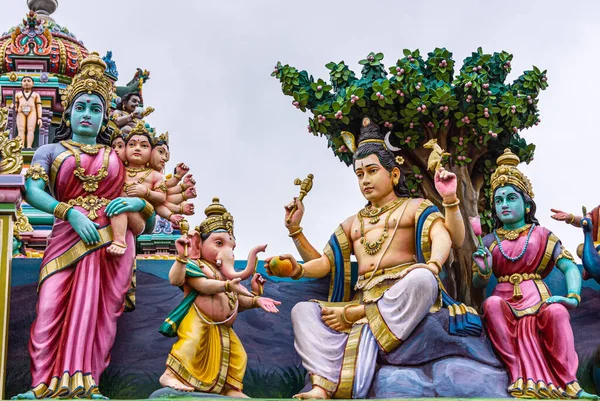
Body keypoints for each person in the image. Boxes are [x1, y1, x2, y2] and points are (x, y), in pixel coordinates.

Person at [265, 117, 472, 399]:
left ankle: (359, 317)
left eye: (372, 171)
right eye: (360, 174)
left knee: (423, 279)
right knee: (303, 310)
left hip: (400, 292)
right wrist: (295, 249)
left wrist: (448, 205)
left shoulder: (415, 207)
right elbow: (326, 263)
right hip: (363, 297)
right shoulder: (353, 223)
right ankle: (322, 386)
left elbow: (448, 237)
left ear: (394, 175)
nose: (365, 180)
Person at [13, 53, 155, 400]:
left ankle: (85, 382)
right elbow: (32, 190)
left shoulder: (116, 157)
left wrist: (137, 202)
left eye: (95, 109)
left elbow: (145, 213)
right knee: (48, 309)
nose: (87, 115)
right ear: (69, 113)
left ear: (105, 116)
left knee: (97, 314)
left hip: (108, 243)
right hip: (65, 236)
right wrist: (69, 212)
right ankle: (42, 385)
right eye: (81, 108)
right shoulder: (50, 150)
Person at [472, 149, 596, 399]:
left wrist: (572, 296)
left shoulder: (542, 235)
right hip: (504, 301)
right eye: (498, 201)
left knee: (557, 312)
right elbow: (477, 282)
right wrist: (483, 271)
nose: (504, 205)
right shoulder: (489, 241)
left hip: (538, 299)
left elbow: (569, 266)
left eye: (510, 198)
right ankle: (516, 373)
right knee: (492, 304)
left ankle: (570, 384)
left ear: (527, 203)